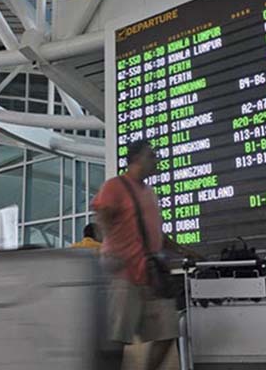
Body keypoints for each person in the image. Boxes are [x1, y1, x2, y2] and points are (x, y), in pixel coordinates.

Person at [92, 140, 179, 370]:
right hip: (123, 274)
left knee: (168, 331)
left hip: (151, 276)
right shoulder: (115, 186)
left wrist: (187, 252)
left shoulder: (150, 193)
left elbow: (156, 234)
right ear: (137, 159)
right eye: (152, 155)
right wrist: (112, 249)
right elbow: (102, 217)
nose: (156, 159)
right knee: (117, 340)